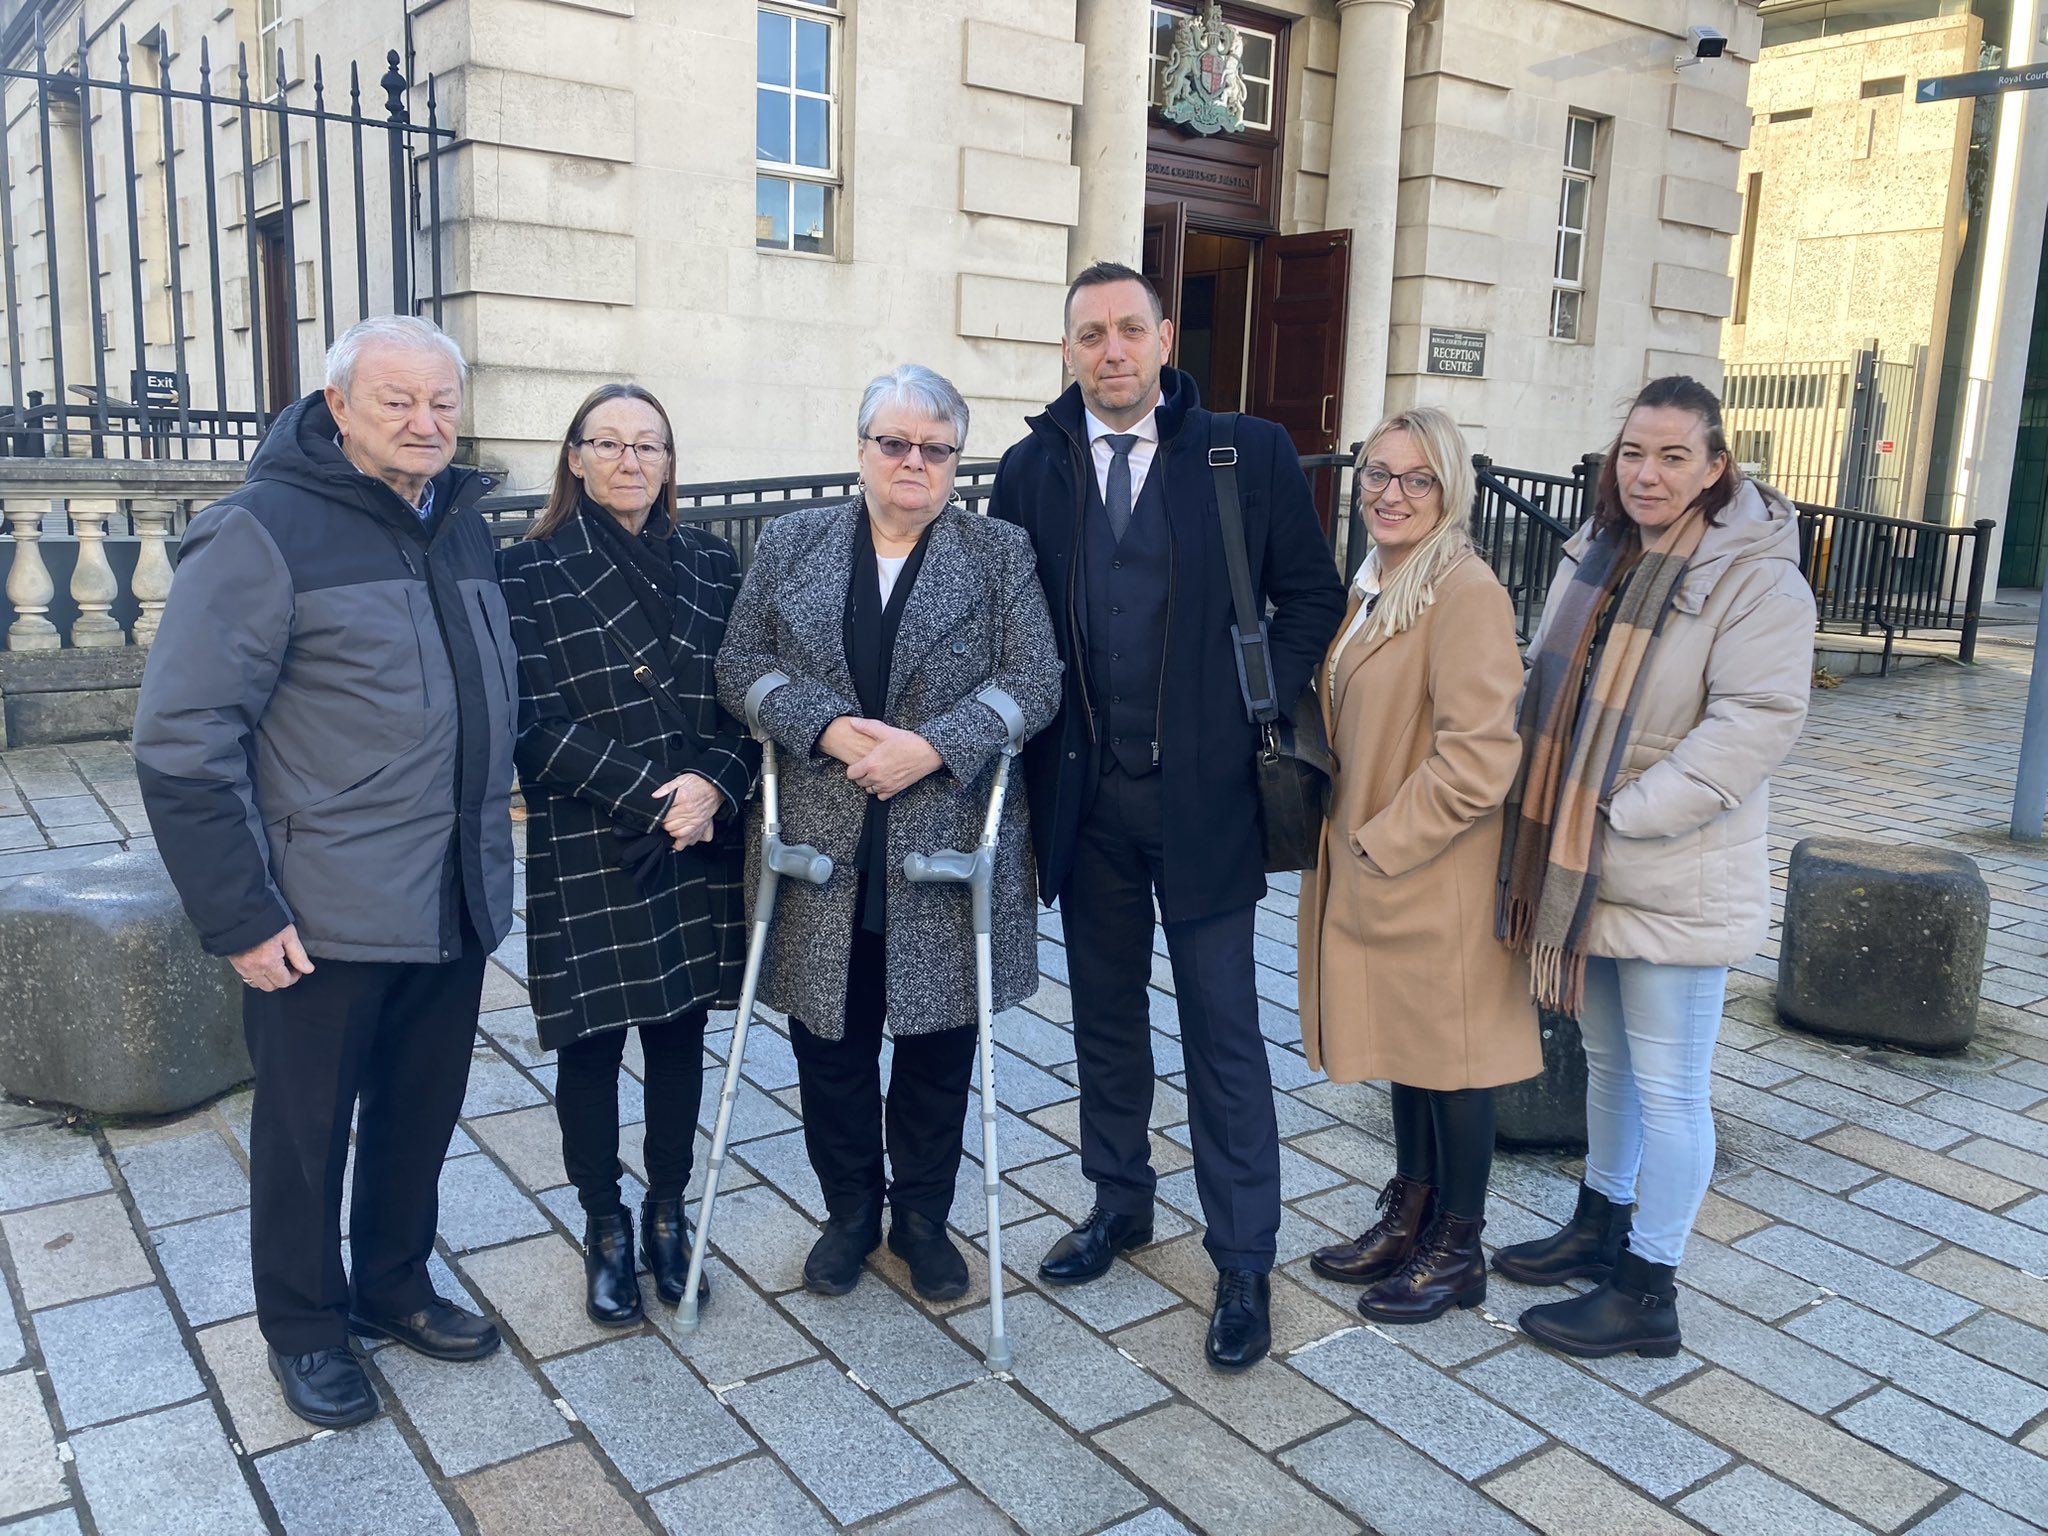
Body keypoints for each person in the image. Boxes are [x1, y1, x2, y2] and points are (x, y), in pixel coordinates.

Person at [133, 315, 515, 1429]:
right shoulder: (258, 531)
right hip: (316, 913)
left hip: (452, 895)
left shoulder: (462, 526)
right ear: (337, 406)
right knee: (306, 1139)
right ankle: (303, 1328)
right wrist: (241, 915)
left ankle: (393, 1285)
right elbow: (181, 740)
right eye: (396, 401)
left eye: (441, 401)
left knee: (418, 1116)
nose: (424, 422)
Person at [989, 263, 1346, 1370]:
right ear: (1065, 352)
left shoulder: (1245, 453)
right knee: (1102, 1017)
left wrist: (1248, 706)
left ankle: (1243, 1258)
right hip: (1085, 803)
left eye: (1128, 330)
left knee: (1222, 1034)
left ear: (1162, 339)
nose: (1110, 351)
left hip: (1207, 804)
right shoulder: (1027, 472)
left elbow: (1313, 598)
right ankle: (1119, 1200)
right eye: (1089, 333)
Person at [715, 365, 1061, 1302]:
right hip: (821, 843)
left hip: (940, 839)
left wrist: (934, 749)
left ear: (956, 461)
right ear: (861, 448)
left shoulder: (999, 556)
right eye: (895, 444)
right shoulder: (792, 545)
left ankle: (922, 1220)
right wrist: (825, 727)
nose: (914, 462)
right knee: (828, 1045)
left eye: (935, 450)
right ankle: (850, 1215)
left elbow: (1038, 681)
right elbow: (738, 666)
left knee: (937, 1046)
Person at [1494, 375, 1814, 1358]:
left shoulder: (1756, 578)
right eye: (1633, 452)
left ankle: (1648, 1289)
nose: (1646, 473)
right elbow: (1544, 682)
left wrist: (1618, 816)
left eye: (1673, 456)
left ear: (1715, 468)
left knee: (1671, 1088)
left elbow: (1753, 724)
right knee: (1607, 1067)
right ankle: (1600, 1223)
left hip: (1663, 865)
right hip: (1582, 864)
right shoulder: (1594, 551)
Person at [499, 384, 757, 1327]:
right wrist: (657, 796)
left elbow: (746, 698)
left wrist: (718, 788)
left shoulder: (710, 564)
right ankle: (603, 1225)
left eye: (648, 445)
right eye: (607, 443)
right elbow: (528, 724)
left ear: (668, 460)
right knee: (591, 1042)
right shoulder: (522, 571)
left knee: (682, 1033)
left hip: (695, 833)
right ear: (574, 458)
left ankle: (665, 1212)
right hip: (593, 830)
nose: (629, 461)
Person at [1299, 408, 1539, 1322]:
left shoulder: (1463, 589)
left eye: (1416, 480)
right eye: (1377, 474)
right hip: (1384, 862)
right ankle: (1410, 1214)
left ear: (1451, 493)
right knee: (1412, 1050)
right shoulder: (1377, 583)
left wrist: (1381, 840)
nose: (1390, 495)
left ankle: (1458, 1248)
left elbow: (1481, 754)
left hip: (1432, 865)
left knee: (1456, 1061)